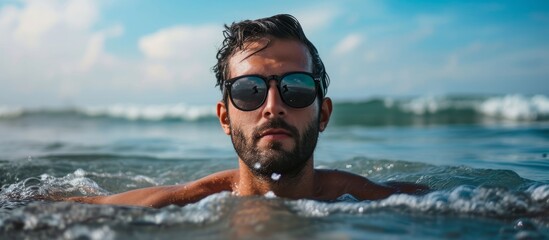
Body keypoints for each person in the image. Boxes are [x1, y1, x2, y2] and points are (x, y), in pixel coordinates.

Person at [65, 14, 428, 208]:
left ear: (324, 114)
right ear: (225, 117)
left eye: (296, 89)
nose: (273, 107)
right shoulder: (180, 204)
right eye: (249, 90)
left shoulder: (375, 201)